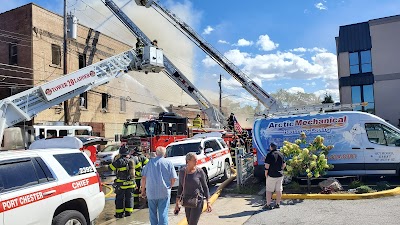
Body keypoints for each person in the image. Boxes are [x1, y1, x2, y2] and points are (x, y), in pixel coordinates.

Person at [141, 146, 177, 225]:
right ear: (165, 154)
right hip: (164, 192)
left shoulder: (149, 163)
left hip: (151, 193)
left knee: (152, 214)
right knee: (163, 213)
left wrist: (143, 190)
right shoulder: (168, 163)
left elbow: (143, 178)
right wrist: (170, 186)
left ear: (156, 153)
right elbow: (173, 178)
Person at [175, 152, 212, 225]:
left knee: (192, 223)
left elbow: (205, 187)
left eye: (196, 160)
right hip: (187, 201)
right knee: (189, 222)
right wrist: (177, 203)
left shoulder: (199, 172)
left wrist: (208, 201)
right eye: (194, 160)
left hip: (198, 200)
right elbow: (180, 187)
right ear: (188, 161)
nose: (196, 162)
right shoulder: (182, 172)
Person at [109, 145, 136, 218]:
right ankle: (128, 212)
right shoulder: (131, 160)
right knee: (129, 198)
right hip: (131, 184)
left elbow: (110, 168)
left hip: (121, 185)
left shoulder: (119, 161)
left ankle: (119, 214)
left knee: (119, 199)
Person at [263, 142, 286, 210]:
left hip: (271, 175)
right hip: (280, 175)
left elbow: (267, 166)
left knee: (269, 190)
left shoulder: (269, 155)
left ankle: (268, 204)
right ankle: (277, 204)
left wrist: (266, 174)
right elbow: (284, 164)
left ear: (271, 147)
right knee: (279, 190)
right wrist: (281, 169)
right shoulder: (281, 154)